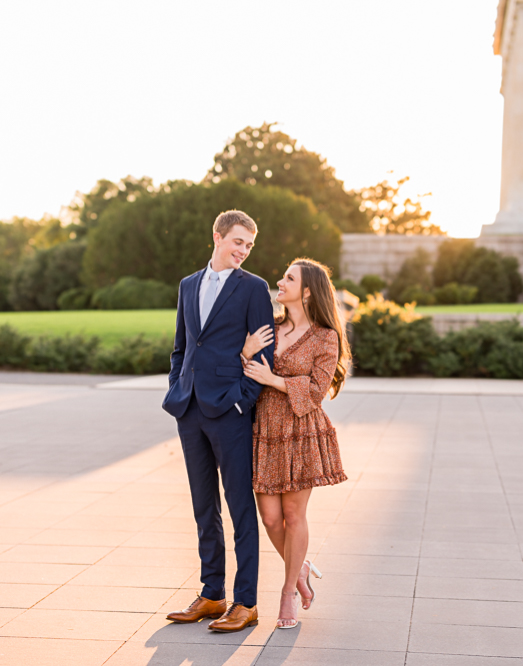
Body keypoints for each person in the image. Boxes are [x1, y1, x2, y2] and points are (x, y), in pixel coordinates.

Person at [162, 210, 276, 633]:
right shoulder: (188, 285)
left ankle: (246, 602)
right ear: (217, 236)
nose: (243, 251)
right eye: (238, 242)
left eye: (249, 245)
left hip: (230, 411)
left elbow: (264, 353)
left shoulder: (254, 289)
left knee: (240, 507)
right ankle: (212, 594)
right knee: (202, 505)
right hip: (189, 409)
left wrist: (241, 403)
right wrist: (177, 386)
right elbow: (181, 347)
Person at [240, 258, 350, 629]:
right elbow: (246, 368)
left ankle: (288, 592)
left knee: (293, 515)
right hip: (266, 429)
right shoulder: (269, 328)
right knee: (270, 517)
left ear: (306, 291)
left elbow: (318, 391)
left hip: (301, 430)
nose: (279, 281)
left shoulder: (325, 336)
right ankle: (300, 566)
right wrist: (245, 349)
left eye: (289, 278)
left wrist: (274, 380)